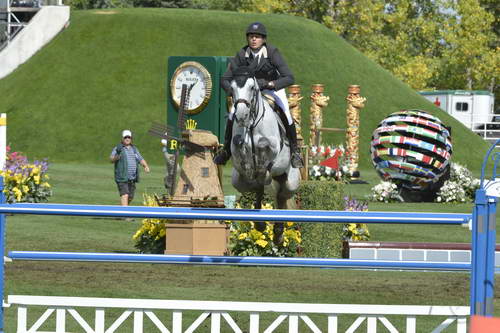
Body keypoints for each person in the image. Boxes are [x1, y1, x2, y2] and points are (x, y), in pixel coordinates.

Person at [214, 21, 304, 168]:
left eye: (257, 37)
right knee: (232, 113)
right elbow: (225, 79)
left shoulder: (272, 53)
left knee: (286, 113)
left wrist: (270, 84)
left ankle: (295, 152)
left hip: (271, 89)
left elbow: (289, 77)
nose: (254, 39)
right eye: (251, 37)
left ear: (263, 39)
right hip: (248, 92)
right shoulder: (242, 54)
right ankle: (226, 151)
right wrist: (233, 91)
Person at [110, 130, 150, 206]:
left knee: (130, 197)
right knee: (125, 195)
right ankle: (125, 217)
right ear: (122, 138)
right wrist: (116, 157)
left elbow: (140, 159)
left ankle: (119, 212)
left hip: (132, 178)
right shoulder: (118, 148)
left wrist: (145, 166)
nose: (127, 139)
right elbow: (111, 159)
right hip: (122, 177)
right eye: (125, 137)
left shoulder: (134, 149)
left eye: (129, 137)